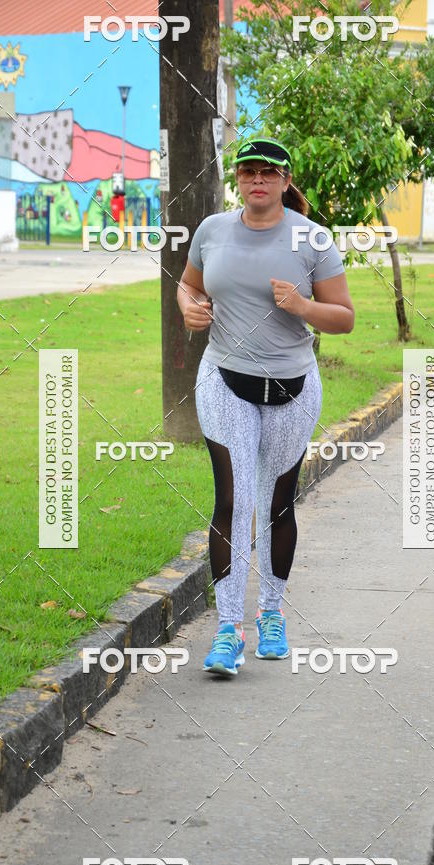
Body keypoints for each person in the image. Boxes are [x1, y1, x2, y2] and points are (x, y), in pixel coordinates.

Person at [177, 136, 354, 676]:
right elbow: (187, 287)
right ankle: (229, 629)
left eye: (268, 173)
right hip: (224, 378)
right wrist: (190, 308)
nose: (258, 180)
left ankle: (271, 614)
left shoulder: (312, 238)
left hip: (292, 386)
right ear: (239, 180)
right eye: (249, 172)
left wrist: (302, 305)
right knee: (233, 498)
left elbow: (343, 317)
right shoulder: (212, 231)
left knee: (277, 503)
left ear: (284, 180)